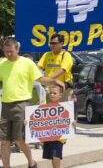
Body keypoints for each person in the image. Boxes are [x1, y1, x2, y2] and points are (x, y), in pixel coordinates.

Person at [0, 38, 64, 168]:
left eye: (11, 51)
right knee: (4, 141)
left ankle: (31, 161)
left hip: (21, 104)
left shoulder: (27, 63)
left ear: (17, 49)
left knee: (19, 139)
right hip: (6, 105)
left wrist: (54, 81)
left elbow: (41, 79)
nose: (8, 54)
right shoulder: (2, 64)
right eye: (6, 52)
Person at [41, 84, 76, 168]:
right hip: (49, 136)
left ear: (60, 95)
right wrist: (28, 123)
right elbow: (37, 122)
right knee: (52, 157)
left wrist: (73, 123)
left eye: (54, 93)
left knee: (56, 156)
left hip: (59, 138)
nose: (52, 95)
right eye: (51, 93)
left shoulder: (65, 108)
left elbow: (70, 121)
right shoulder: (44, 108)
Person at [37, 34, 74, 101]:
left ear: (61, 44)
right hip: (50, 89)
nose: (52, 45)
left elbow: (62, 70)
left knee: (65, 110)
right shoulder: (47, 55)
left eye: (54, 43)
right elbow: (38, 67)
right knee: (49, 109)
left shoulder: (66, 55)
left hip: (63, 89)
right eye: (51, 43)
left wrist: (48, 79)